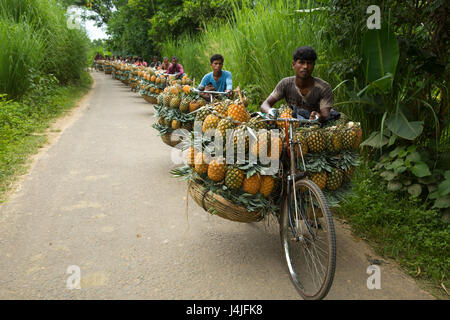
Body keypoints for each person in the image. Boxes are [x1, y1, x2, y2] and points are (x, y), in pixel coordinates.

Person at [260, 46, 334, 123]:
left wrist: (318, 117)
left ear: (313, 66)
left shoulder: (323, 87)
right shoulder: (285, 84)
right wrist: (270, 111)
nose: (305, 67)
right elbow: (265, 104)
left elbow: (325, 115)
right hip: (291, 124)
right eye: (301, 62)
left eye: (309, 63)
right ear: (293, 64)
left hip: (314, 129)